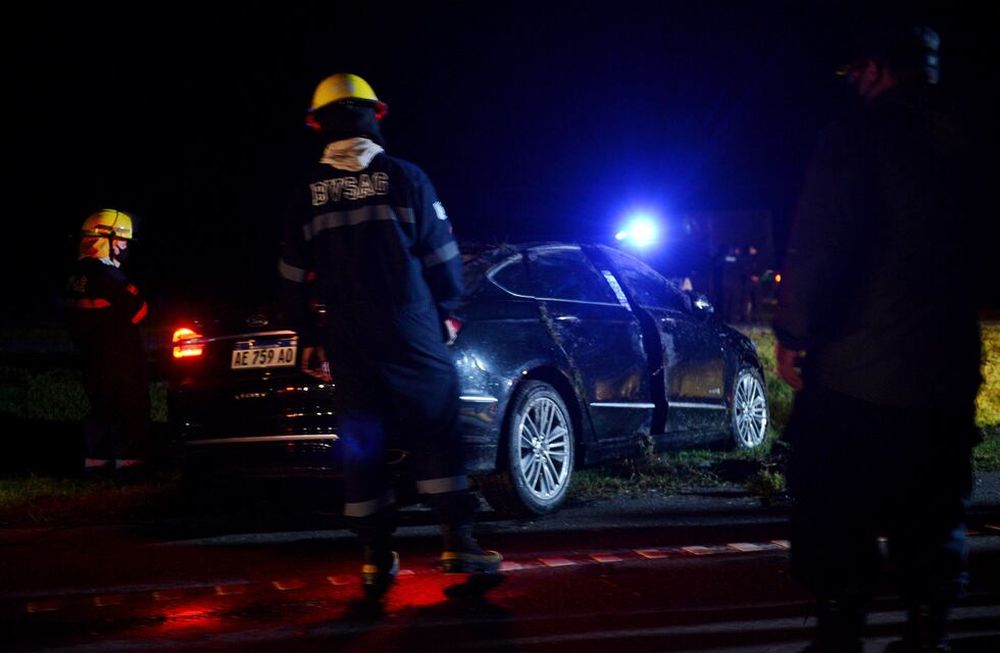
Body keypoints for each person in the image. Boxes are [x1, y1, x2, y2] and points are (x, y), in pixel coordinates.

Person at [773, 24, 982, 652]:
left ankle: (840, 631)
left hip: (855, 372)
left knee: (836, 512)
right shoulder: (967, 143)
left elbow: (819, 248)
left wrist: (794, 333)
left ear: (874, 68)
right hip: (945, 371)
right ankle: (928, 631)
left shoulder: (856, 138)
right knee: (934, 512)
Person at [278, 73, 501, 598]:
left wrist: (308, 333)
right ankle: (457, 542)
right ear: (373, 116)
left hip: (345, 333)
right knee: (435, 425)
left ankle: (375, 557)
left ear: (320, 125)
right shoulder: (405, 178)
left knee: (362, 437)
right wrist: (449, 309)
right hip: (410, 323)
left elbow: (289, 276)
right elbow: (442, 254)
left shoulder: (305, 195)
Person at [65, 209, 151, 480]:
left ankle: (95, 466)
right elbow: (140, 310)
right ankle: (131, 468)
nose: (125, 247)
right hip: (122, 356)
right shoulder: (112, 278)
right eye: (122, 241)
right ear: (107, 240)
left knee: (99, 408)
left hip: (91, 357)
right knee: (130, 407)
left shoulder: (76, 277)